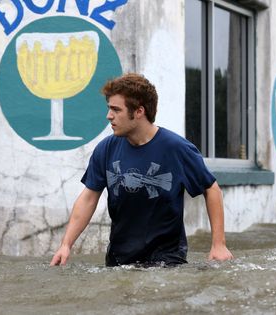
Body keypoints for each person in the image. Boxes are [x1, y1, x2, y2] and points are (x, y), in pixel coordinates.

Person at [50, 73, 233, 267]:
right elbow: (89, 197)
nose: (109, 116)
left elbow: (211, 189)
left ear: (139, 111)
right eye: (109, 108)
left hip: (167, 260)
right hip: (119, 259)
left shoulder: (176, 149)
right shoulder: (106, 149)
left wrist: (218, 244)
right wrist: (66, 244)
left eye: (116, 109)